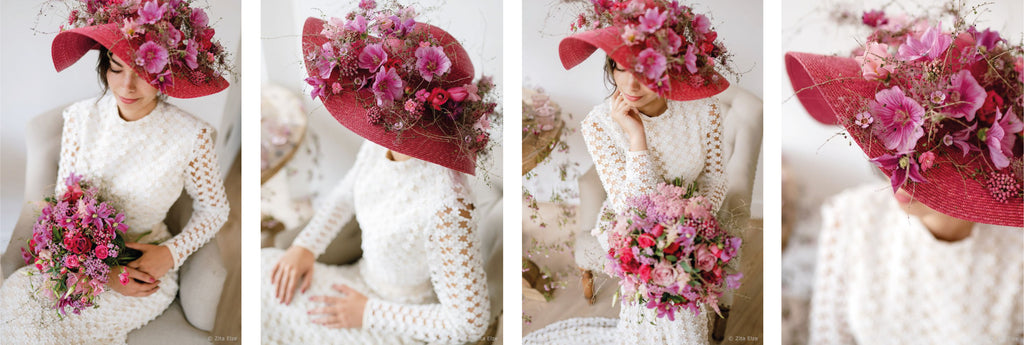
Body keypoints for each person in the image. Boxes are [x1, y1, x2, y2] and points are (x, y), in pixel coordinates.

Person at [260, 4, 499, 343]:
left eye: (380, 93)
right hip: (358, 283)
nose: (369, 102)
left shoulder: (448, 207)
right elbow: (348, 192)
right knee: (264, 271)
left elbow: (468, 324)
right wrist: (305, 246)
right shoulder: (383, 140)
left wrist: (367, 312)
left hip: (395, 323)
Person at [785, 6, 1023, 343]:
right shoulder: (849, 218)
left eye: (925, 155)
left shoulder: (1016, 257)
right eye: (892, 152)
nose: (896, 172)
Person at [0, 0, 231, 343]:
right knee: (16, 299)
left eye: (143, 72)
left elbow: (215, 209)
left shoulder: (192, 137)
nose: (126, 87)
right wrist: (100, 272)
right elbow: (64, 205)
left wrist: (171, 254)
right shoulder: (79, 119)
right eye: (116, 67)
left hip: (142, 269)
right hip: (76, 261)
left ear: (166, 73)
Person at [525, 1, 734, 343]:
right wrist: (637, 138)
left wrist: (694, 226)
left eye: (644, 71)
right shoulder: (600, 124)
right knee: (657, 279)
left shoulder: (703, 110)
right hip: (629, 226)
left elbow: (714, 177)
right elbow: (632, 205)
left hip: (692, 222)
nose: (630, 85)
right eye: (619, 68)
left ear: (669, 68)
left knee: (684, 291)